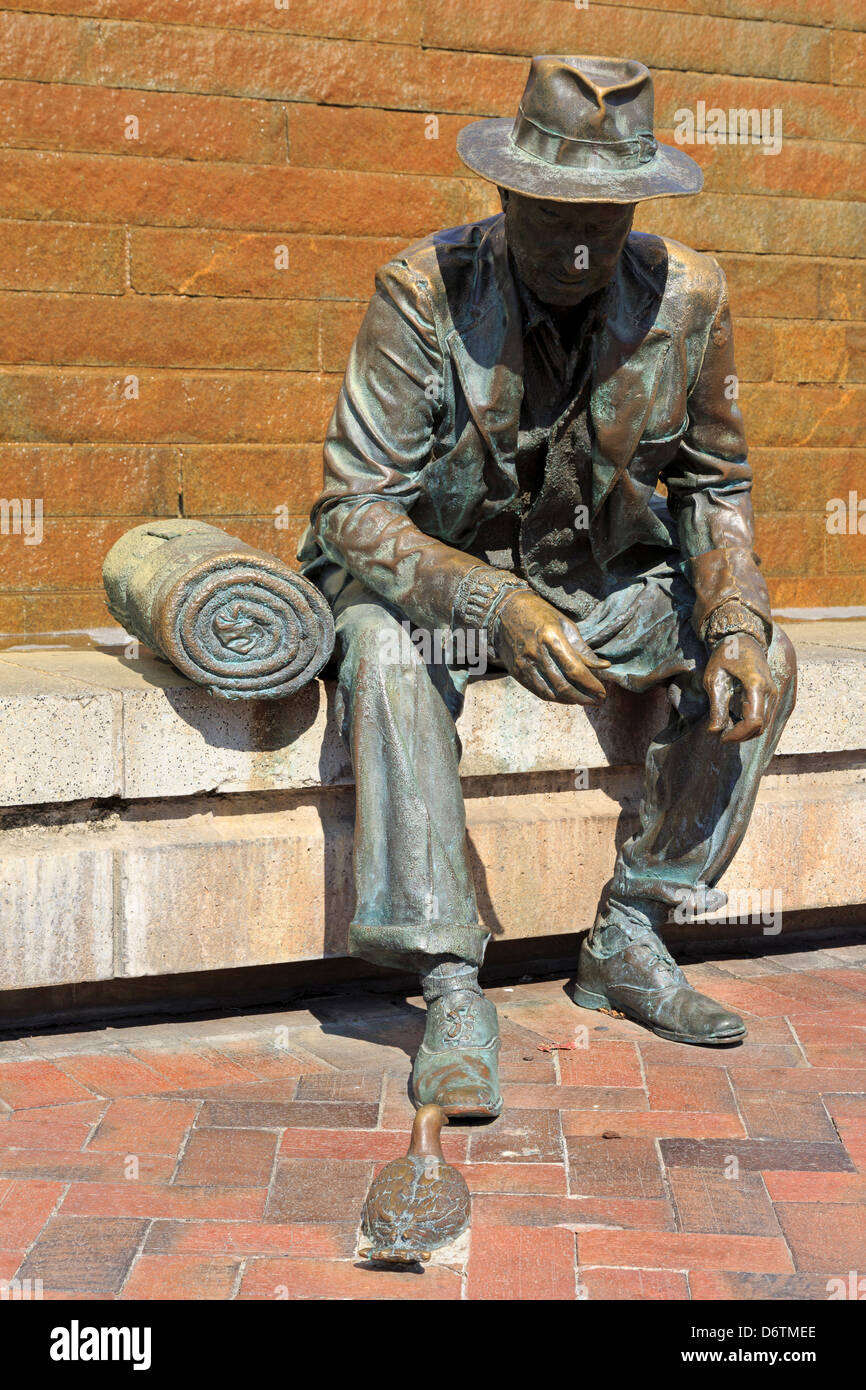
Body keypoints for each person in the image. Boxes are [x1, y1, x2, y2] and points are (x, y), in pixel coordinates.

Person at [298, 55, 797, 1119]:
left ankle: (630, 931)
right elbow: (353, 509)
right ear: (507, 193)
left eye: (605, 218)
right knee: (383, 651)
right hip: (439, 599)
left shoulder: (689, 299)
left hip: (599, 592)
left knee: (759, 655)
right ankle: (446, 985)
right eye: (554, 215)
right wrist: (491, 604)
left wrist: (736, 621)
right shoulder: (422, 290)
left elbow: (715, 488)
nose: (578, 244)